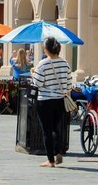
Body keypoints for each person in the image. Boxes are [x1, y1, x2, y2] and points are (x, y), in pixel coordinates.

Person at [31, 37, 72, 168]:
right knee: (55, 127)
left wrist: (33, 74)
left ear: (47, 49)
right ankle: (58, 151)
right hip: (60, 101)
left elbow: (37, 83)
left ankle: (50, 160)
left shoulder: (43, 64)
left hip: (45, 101)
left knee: (46, 131)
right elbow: (69, 84)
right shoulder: (65, 63)